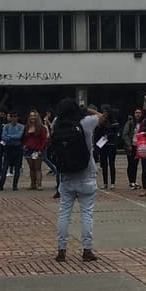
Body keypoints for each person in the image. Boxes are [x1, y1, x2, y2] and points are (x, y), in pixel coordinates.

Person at [47, 99, 100, 262]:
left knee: (64, 214)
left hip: (66, 177)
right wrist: (85, 110)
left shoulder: (58, 125)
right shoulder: (86, 123)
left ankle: (61, 249)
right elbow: (102, 116)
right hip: (87, 174)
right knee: (87, 214)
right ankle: (87, 249)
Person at [23, 110, 48, 190]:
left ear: (37, 117)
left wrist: (41, 149)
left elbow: (44, 140)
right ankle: (32, 184)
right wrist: (24, 145)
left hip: (37, 150)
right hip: (28, 150)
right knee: (31, 168)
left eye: (34, 116)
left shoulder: (42, 128)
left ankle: (39, 184)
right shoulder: (27, 127)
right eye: (31, 116)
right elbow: (24, 138)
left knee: (37, 168)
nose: (32, 117)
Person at [1, 111, 26, 190]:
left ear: (17, 117)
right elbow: (3, 137)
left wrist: (9, 137)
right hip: (8, 148)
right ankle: (1, 185)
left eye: (15, 116)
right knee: (4, 167)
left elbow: (19, 136)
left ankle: (15, 185)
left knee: (17, 168)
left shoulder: (21, 126)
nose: (13, 118)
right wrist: (12, 137)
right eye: (12, 116)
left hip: (17, 148)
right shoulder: (6, 126)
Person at [97, 106, 120, 190]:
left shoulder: (114, 122)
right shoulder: (101, 122)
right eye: (103, 112)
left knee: (111, 164)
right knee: (104, 165)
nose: (104, 114)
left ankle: (113, 183)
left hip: (111, 145)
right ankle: (105, 183)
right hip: (103, 145)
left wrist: (109, 136)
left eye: (106, 112)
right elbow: (97, 133)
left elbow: (116, 133)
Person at [122, 107, 143, 190]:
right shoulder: (130, 122)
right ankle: (131, 181)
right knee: (131, 163)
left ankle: (134, 180)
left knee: (136, 164)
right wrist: (128, 145)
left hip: (139, 145)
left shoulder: (143, 123)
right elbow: (125, 134)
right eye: (136, 112)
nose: (138, 114)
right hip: (131, 145)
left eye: (139, 113)